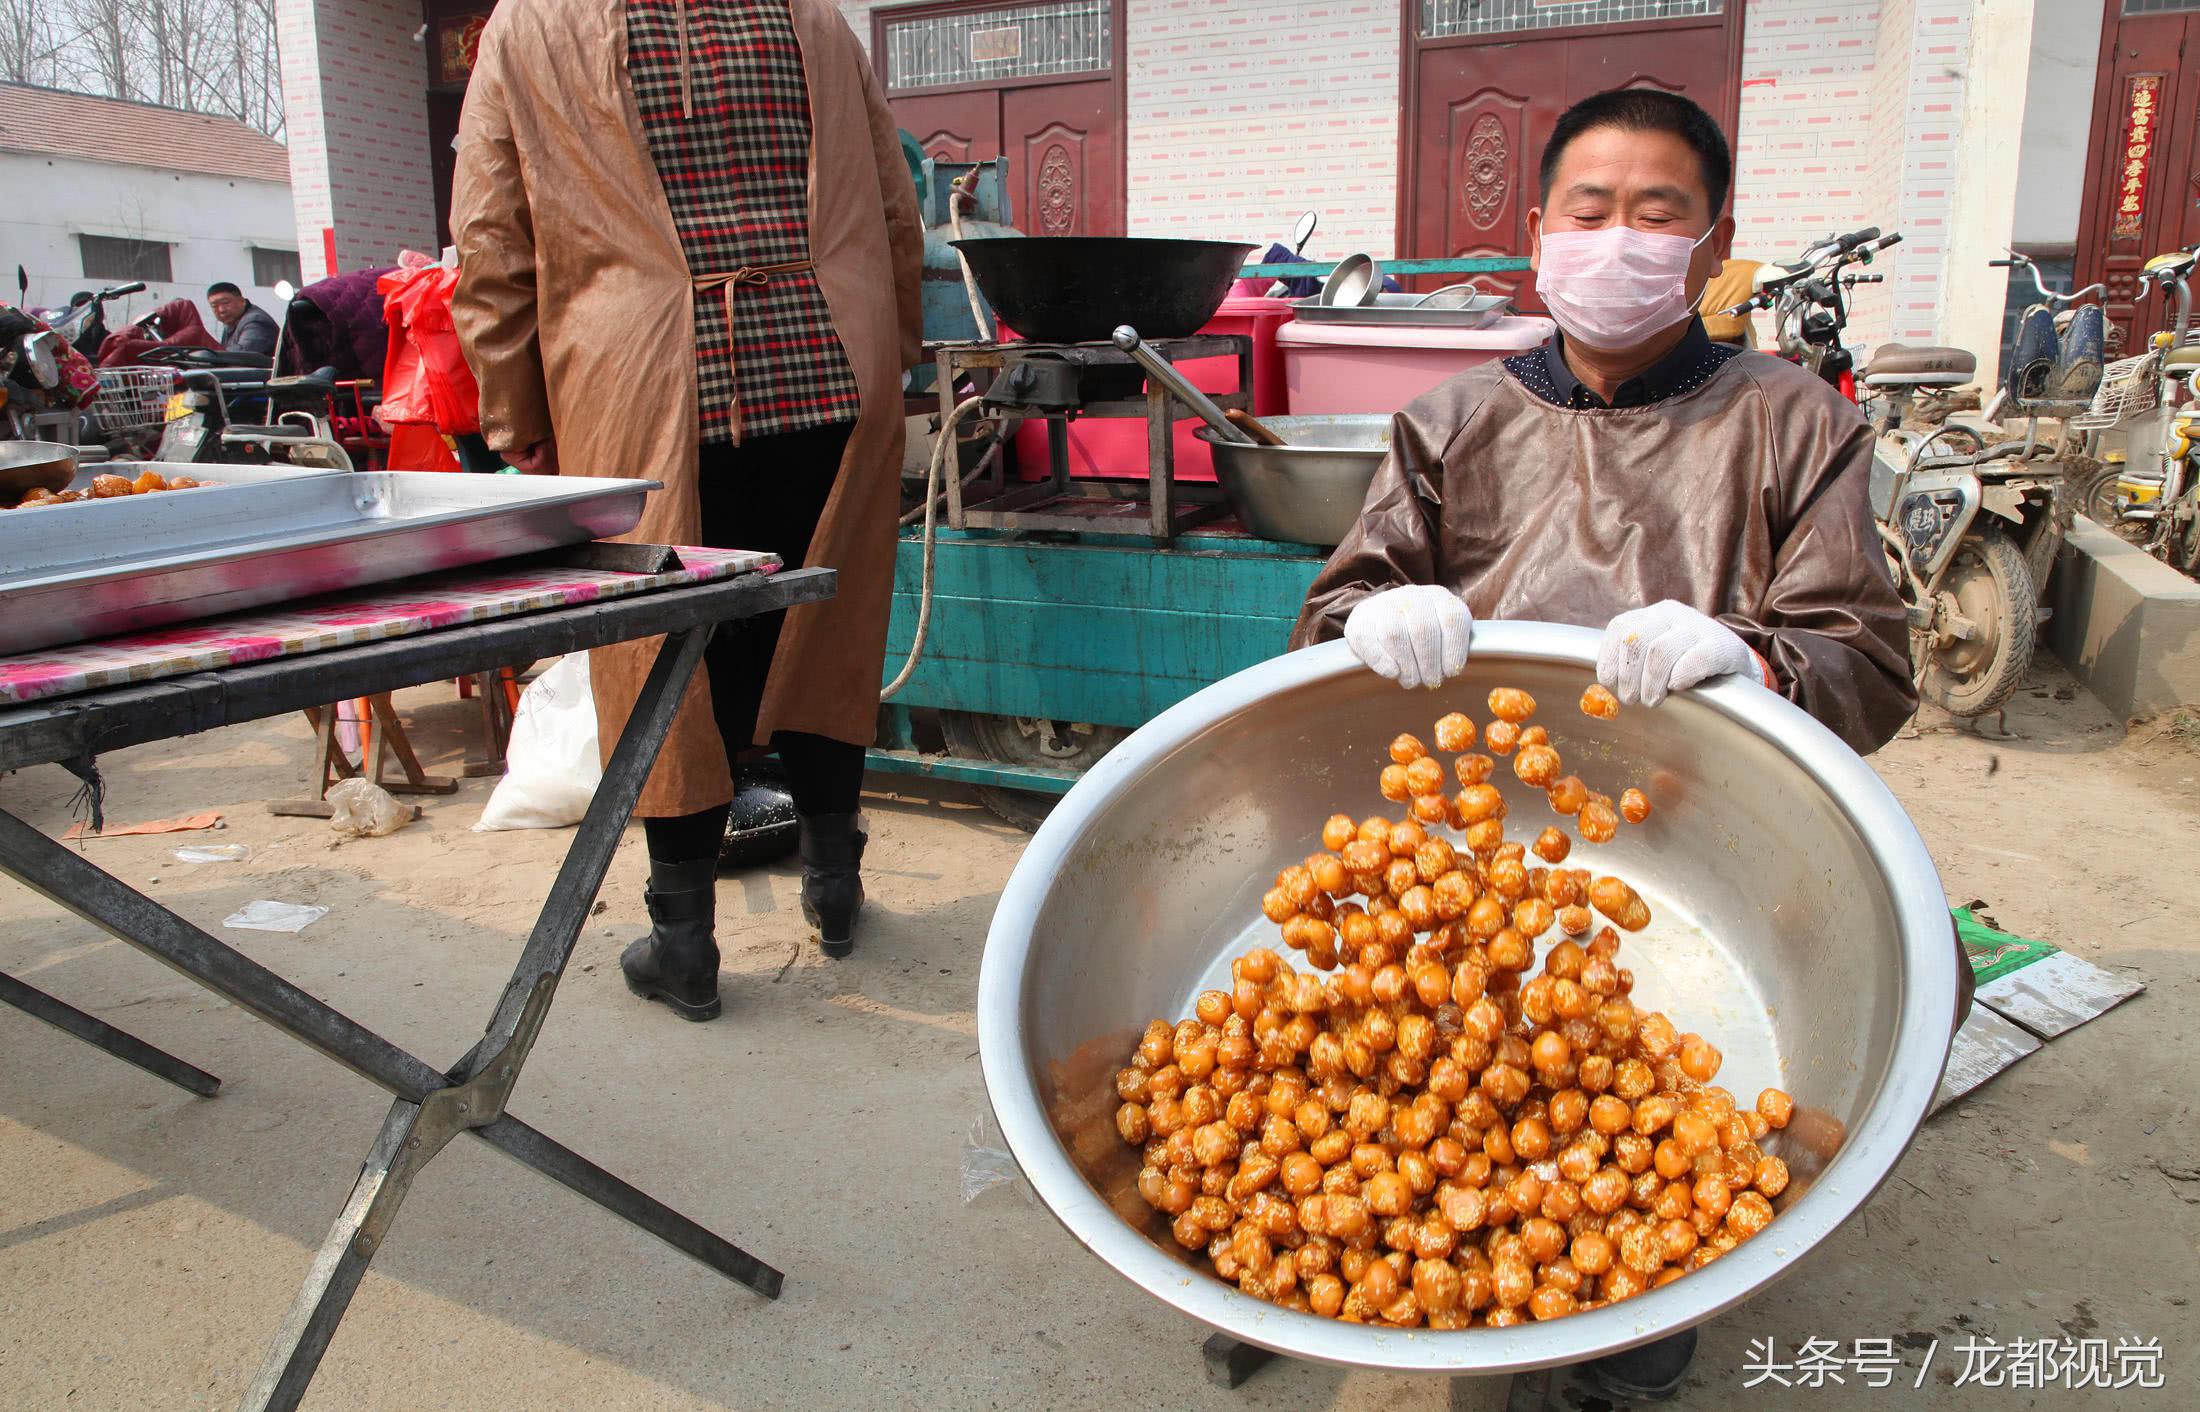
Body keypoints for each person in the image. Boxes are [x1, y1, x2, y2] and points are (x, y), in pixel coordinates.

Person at [1291, 88, 1958, 1400]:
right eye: (1588, 211)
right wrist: (1374, 617)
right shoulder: (1452, 422)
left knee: (1686, 1125)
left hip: (1701, 847)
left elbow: (1872, 666)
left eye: (1658, 215)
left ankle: (1632, 1296)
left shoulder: (1794, 422)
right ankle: (1352, 1243)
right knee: (1422, 1077)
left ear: (1712, 242)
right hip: (1465, 849)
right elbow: (1324, 634)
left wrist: (1754, 660)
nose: (1617, 242)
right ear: (1537, 228)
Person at [451, 0, 922, 1023]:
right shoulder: (813, 20)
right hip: (829, 366)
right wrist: (903, 350)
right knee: (822, 631)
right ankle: (835, 885)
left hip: (635, 382)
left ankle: (682, 939)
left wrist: (515, 412)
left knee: (670, 661)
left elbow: (489, 239)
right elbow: (894, 208)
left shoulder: (529, 28)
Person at [207, 282, 279, 356]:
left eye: (225, 303)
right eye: (214, 306)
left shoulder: (256, 320)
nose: (222, 310)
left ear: (242, 301)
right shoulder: (232, 322)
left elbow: (242, 354)